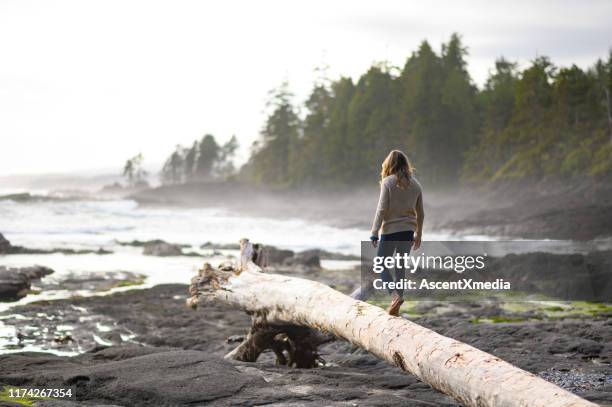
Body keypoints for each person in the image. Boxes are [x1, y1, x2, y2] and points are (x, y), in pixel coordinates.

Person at [368, 150, 424, 316]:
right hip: (408, 231)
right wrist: (418, 235)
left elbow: (382, 209)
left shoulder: (388, 182)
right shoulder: (416, 184)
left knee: (381, 265)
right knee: (400, 268)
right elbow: (421, 213)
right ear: (405, 164)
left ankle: (394, 297)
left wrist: (374, 231)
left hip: (391, 230)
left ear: (389, 164)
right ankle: (396, 307)